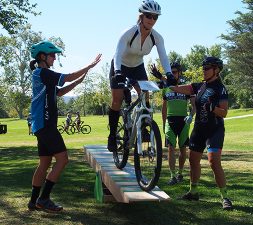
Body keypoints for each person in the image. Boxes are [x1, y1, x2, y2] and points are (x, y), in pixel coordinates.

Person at [28, 40, 101, 212]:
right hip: (45, 125)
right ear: (42, 56)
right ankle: (44, 199)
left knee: (45, 163)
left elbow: (60, 92)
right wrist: (89, 65)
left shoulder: (44, 76)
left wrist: (79, 81)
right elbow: (66, 77)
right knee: (63, 159)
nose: (55, 58)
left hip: (41, 125)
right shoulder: (42, 73)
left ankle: (33, 201)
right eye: (52, 55)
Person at [107, 0, 176, 152]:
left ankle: (144, 127)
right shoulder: (129, 33)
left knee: (145, 96)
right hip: (120, 66)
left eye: (155, 17)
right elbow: (117, 53)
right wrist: (118, 72)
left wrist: (169, 73)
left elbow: (163, 56)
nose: (152, 20)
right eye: (149, 16)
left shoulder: (157, 37)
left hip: (137, 67)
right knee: (117, 101)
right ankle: (112, 135)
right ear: (141, 16)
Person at [167, 56, 233, 210]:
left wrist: (213, 108)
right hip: (199, 129)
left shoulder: (220, 88)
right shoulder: (199, 86)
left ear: (216, 70)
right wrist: (165, 80)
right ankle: (193, 192)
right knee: (193, 161)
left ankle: (225, 197)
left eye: (206, 68)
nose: (203, 71)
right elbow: (176, 88)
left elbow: (224, 113)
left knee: (213, 162)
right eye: (203, 68)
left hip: (214, 130)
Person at [151, 62, 195, 185]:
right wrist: (164, 124)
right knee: (171, 148)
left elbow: (194, 105)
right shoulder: (166, 88)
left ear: (180, 73)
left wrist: (191, 116)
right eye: (171, 72)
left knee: (182, 149)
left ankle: (180, 173)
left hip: (183, 121)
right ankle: (172, 176)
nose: (172, 74)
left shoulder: (186, 87)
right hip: (170, 121)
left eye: (175, 72)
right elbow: (164, 109)